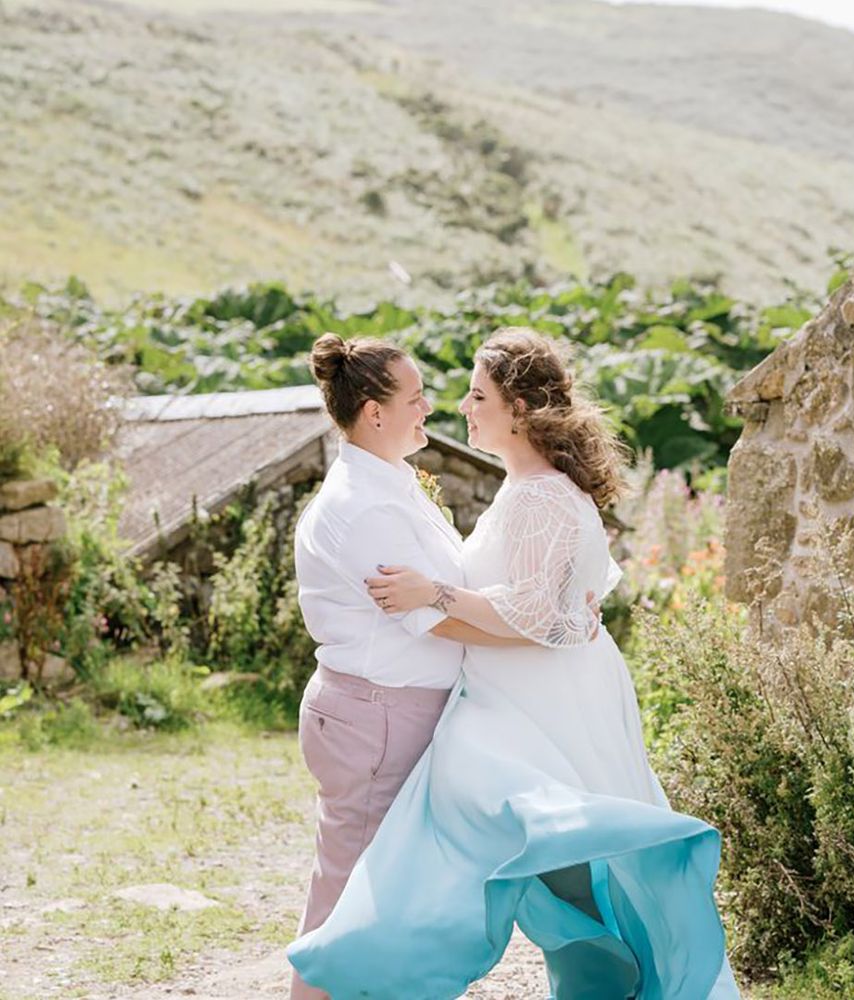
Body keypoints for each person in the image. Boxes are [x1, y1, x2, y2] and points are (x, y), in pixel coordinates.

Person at [288, 329, 741, 999]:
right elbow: (534, 612)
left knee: (561, 859)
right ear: (375, 412)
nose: (451, 409)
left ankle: (628, 978)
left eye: (475, 395)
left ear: (521, 408)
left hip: (532, 707)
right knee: (436, 872)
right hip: (484, 704)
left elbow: (533, 615)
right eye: (426, 397)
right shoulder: (506, 490)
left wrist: (452, 594)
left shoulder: (534, 495)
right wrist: (554, 621)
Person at [289, 334, 540, 1000]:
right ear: (374, 412)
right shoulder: (365, 506)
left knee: (388, 889)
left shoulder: (392, 485)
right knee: (349, 895)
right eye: (416, 396)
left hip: (392, 711)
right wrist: (541, 634)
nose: (433, 405)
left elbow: (445, 587)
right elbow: (437, 619)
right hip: (375, 716)